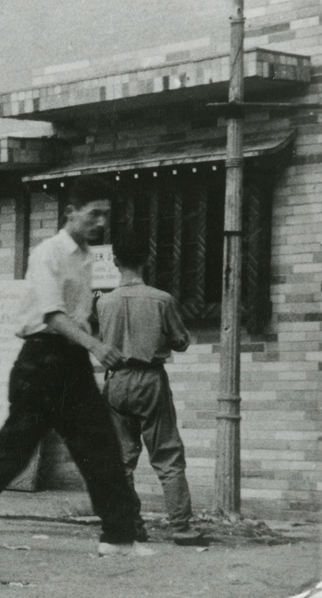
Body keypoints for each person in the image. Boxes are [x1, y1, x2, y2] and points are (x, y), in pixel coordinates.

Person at [0, 176, 151, 558]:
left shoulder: (88, 258)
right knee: (15, 447)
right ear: (70, 213)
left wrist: (87, 347)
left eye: (106, 214)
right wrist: (95, 345)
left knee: (100, 445)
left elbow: (78, 316)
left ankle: (118, 536)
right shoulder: (48, 254)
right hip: (40, 359)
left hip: (71, 360)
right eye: (94, 213)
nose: (100, 222)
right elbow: (51, 314)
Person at [98, 231, 202, 545]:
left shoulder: (103, 302)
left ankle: (130, 524)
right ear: (147, 260)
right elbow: (181, 342)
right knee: (168, 455)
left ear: (115, 261)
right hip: (150, 379)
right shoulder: (162, 299)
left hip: (116, 381)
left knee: (122, 459)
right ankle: (181, 527)